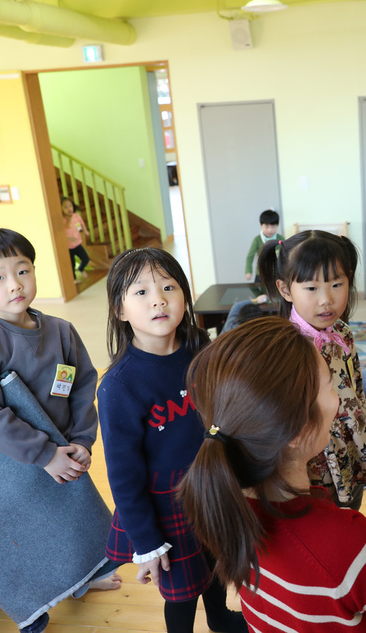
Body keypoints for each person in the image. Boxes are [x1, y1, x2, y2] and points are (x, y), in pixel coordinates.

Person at [180, 316, 366, 633]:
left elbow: (338, 571)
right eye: (330, 383)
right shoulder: (356, 542)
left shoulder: (223, 503)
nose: (338, 396)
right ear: (298, 429)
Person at [0, 228, 121, 632]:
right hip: (14, 457)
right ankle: (35, 600)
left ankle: (82, 578)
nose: (14, 284)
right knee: (30, 528)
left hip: (65, 447)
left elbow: (82, 385)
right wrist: (44, 454)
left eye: (23, 270)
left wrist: (81, 440)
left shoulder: (61, 330)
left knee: (73, 513)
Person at [98, 247, 246, 633]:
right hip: (165, 503)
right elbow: (124, 476)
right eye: (141, 292)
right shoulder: (118, 387)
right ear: (120, 309)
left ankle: (218, 618)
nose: (159, 299)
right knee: (180, 590)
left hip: (210, 482)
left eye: (168, 287)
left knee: (215, 563)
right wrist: (146, 541)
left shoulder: (200, 345)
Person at [257, 230, 366, 509]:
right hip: (315, 457)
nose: (326, 299)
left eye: (336, 284)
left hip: (351, 443)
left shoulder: (341, 330)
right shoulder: (289, 347)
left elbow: (356, 386)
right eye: (311, 288)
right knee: (324, 515)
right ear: (285, 290)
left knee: (352, 507)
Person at [244, 209, 282, 282]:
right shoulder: (257, 240)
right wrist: (248, 271)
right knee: (259, 292)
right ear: (261, 226)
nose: (270, 230)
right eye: (266, 227)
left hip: (276, 274)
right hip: (261, 274)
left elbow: (287, 255)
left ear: (277, 226)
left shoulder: (281, 239)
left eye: (273, 227)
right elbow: (250, 256)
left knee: (276, 292)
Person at [62, 197, 91, 281]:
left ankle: (81, 269)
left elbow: (81, 224)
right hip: (68, 247)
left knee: (86, 258)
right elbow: (61, 234)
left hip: (77, 244)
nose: (69, 209)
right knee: (72, 264)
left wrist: (85, 231)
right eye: (65, 207)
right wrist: (70, 239)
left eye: (70, 206)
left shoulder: (76, 216)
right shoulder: (62, 219)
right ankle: (74, 279)